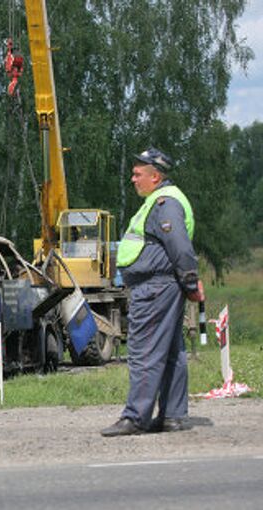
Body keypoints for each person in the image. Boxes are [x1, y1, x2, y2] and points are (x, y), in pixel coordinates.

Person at [101, 147, 204, 437]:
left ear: (155, 176)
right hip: (163, 286)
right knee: (171, 352)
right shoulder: (160, 202)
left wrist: (191, 283)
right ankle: (172, 416)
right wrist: (188, 282)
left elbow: (180, 247)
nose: (133, 179)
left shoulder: (164, 203)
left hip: (155, 287)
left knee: (143, 351)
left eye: (138, 174)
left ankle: (136, 417)